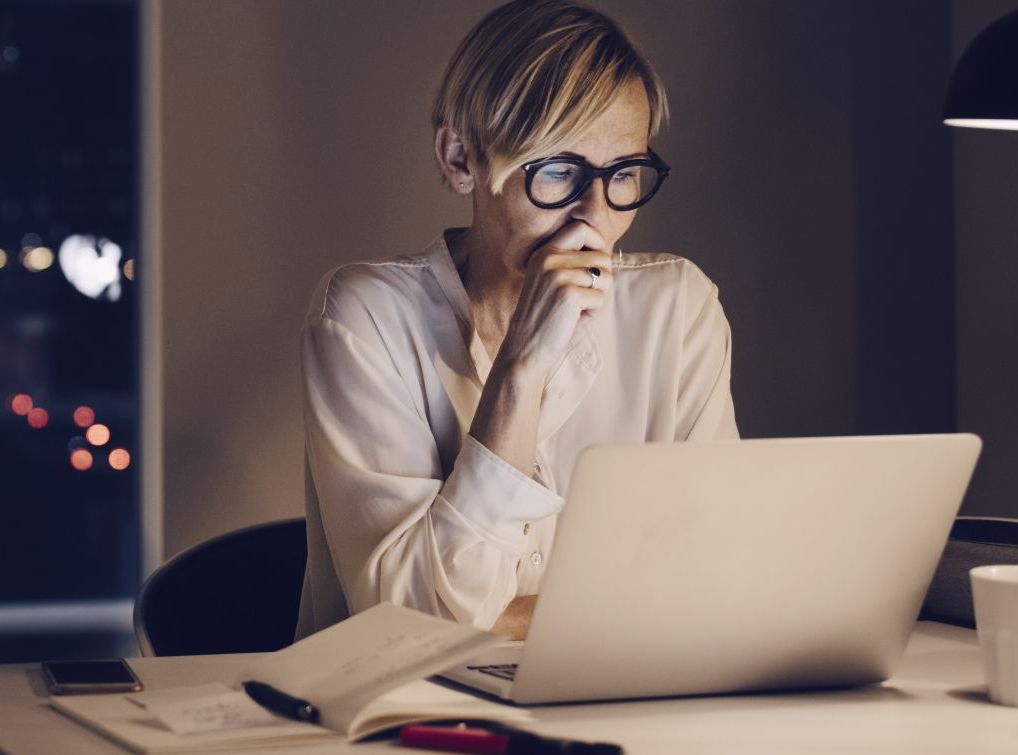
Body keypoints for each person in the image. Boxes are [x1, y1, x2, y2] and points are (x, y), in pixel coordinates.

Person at [296, 0, 737, 642]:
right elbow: (413, 630)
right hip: (400, 722)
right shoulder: (362, 316)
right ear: (459, 160)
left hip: (626, 701)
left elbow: (718, 580)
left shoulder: (677, 307)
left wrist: (512, 620)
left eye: (624, 175)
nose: (594, 217)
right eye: (559, 172)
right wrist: (522, 368)